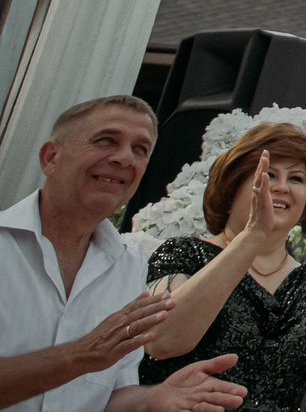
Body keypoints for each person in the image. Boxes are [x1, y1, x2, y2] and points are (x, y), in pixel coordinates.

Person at [141, 121, 306, 410]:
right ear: (233, 186)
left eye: (296, 178)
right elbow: (162, 339)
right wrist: (252, 236)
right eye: (269, 175)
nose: (282, 187)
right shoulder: (184, 254)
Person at [0, 94, 246, 412]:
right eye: (106, 140)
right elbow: (89, 357)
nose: (124, 158)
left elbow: (111, 394)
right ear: (51, 158)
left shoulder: (129, 263)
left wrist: (152, 399)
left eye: (140, 150)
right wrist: (82, 355)